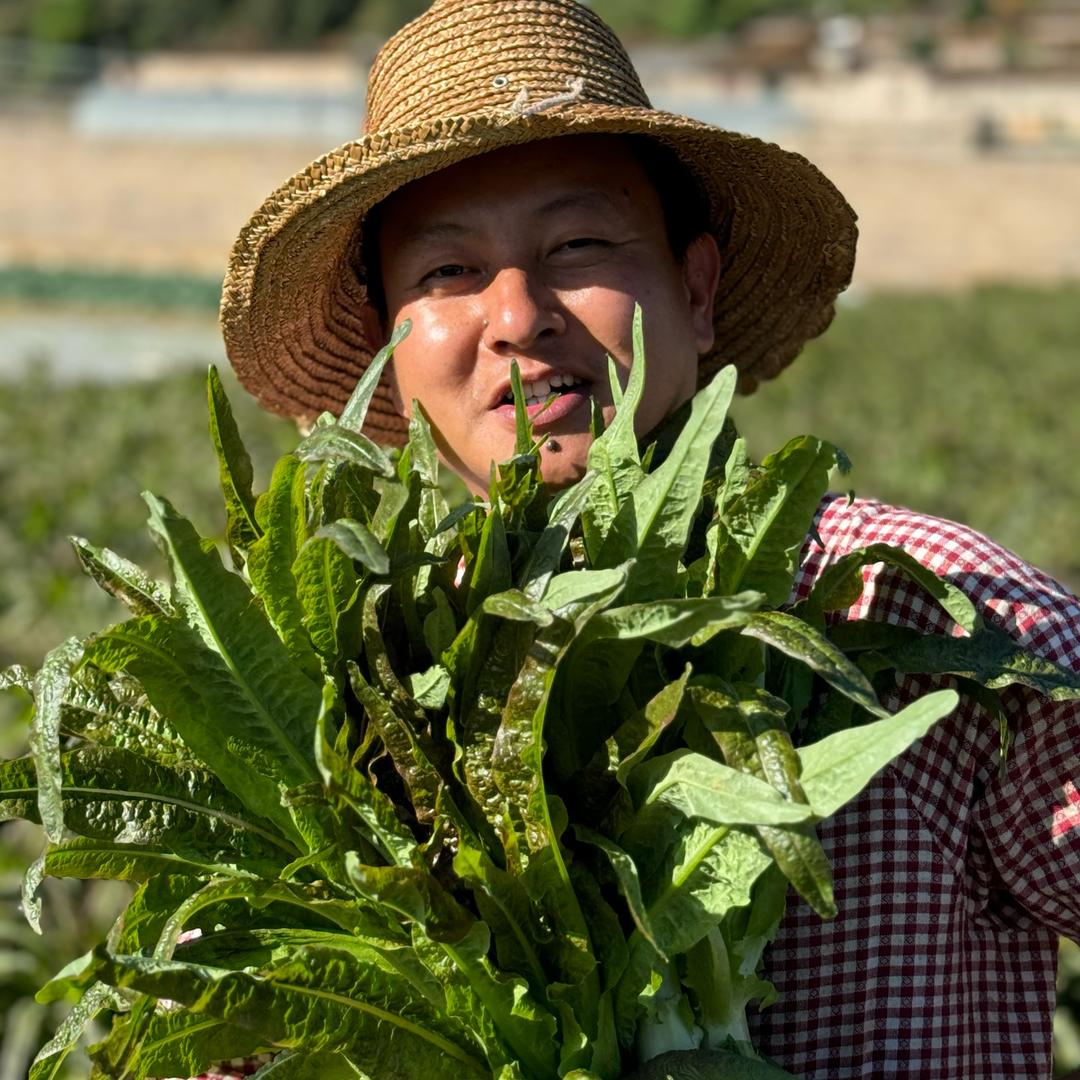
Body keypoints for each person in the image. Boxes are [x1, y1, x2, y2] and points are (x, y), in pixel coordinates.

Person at [214, 1, 1080, 1077]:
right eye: (446, 273)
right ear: (385, 344)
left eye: (578, 245)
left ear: (696, 290)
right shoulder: (348, 695)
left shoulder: (929, 610)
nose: (517, 316)